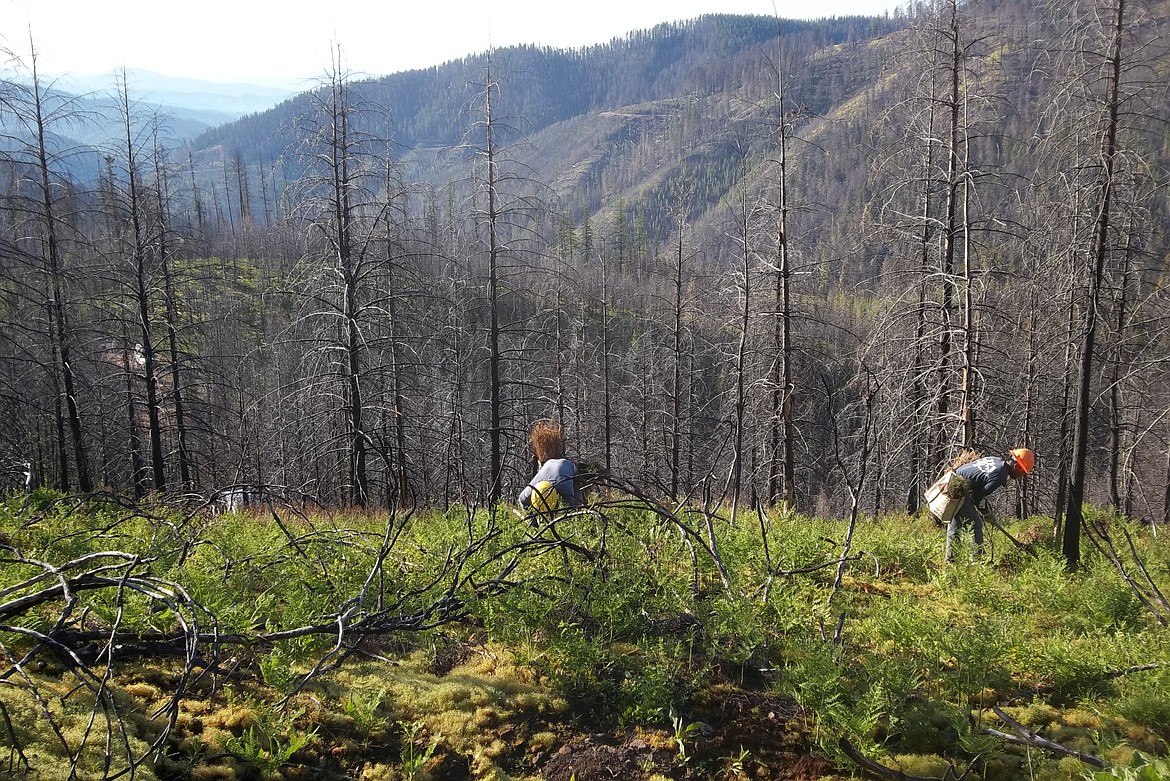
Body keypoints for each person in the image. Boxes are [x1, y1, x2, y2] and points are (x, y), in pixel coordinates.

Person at [927, 447, 1034, 562]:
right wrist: (986, 513)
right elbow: (977, 497)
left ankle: (951, 560)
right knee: (976, 524)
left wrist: (984, 510)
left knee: (955, 522)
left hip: (953, 481)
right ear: (1016, 466)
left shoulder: (997, 460)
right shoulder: (1000, 476)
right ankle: (976, 561)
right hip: (960, 489)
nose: (1021, 476)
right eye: (1022, 472)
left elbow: (977, 489)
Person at [517, 421, 581, 511]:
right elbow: (521, 500)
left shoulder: (565, 492)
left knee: (579, 504)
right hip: (550, 465)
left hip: (570, 468)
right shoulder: (534, 487)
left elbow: (572, 511)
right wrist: (530, 517)